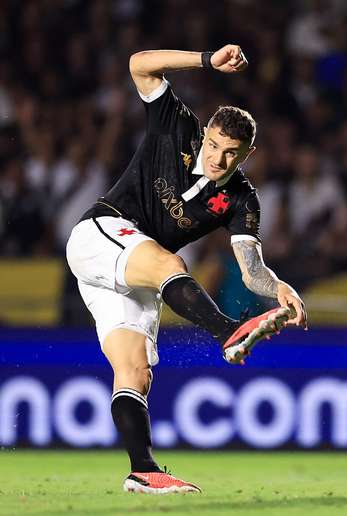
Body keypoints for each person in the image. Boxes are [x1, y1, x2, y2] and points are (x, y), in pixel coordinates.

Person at [65, 45, 308, 494]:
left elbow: (252, 270)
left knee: (135, 371)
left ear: (247, 155)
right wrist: (206, 58)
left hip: (135, 271)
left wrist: (280, 290)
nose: (217, 159)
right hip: (99, 234)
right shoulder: (176, 126)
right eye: (214, 145)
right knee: (170, 262)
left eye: (231, 153)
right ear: (206, 134)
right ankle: (226, 332)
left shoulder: (241, 200)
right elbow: (137, 62)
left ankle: (143, 469)